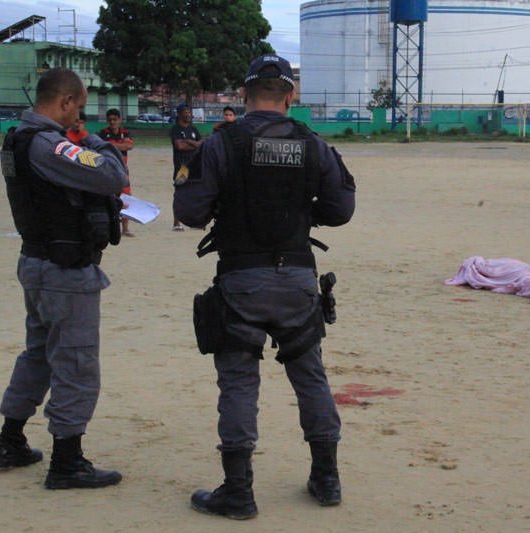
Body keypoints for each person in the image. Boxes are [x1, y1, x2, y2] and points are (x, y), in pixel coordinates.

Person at [173, 53, 355, 519]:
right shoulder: (313, 144)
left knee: (238, 381)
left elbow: (190, 212)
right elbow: (341, 209)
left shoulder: (222, 145)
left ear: (244, 93)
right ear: (290, 95)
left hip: (241, 279)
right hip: (296, 276)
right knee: (310, 375)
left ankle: (239, 491)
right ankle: (326, 478)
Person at [0, 67, 127, 490]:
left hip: (36, 260)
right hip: (64, 270)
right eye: (79, 109)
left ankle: (11, 439)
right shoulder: (50, 145)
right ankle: (67, 461)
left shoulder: (18, 138)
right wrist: (91, 139)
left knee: (38, 354)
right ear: (65, 101)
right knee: (76, 362)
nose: (78, 118)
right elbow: (113, 175)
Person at [99, 108, 136, 236]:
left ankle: (125, 228)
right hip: (109, 170)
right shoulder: (103, 133)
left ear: (120, 120)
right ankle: (110, 227)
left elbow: (129, 146)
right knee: (109, 198)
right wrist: (120, 145)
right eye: (110, 120)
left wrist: (111, 144)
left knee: (126, 198)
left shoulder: (125, 132)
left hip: (123, 169)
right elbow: (104, 146)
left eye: (115, 120)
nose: (113, 122)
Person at [169, 102, 202, 230]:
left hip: (194, 165)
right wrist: (193, 144)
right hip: (181, 166)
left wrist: (188, 141)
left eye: (189, 112)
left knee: (197, 193)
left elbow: (201, 144)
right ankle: (176, 223)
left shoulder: (193, 129)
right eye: (186, 112)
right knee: (180, 194)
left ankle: (196, 221)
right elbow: (180, 146)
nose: (188, 114)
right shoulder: (175, 129)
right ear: (179, 114)